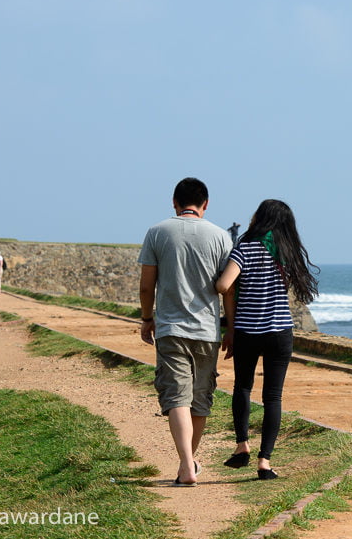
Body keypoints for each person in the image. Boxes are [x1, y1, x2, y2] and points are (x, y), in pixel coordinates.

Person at [215, 199, 318, 480]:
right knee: (273, 396)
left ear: (260, 219)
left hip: (247, 332)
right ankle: (265, 462)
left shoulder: (245, 248)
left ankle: (242, 447)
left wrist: (219, 287)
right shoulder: (286, 253)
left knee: (243, 388)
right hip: (279, 333)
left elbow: (225, 285)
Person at [138, 177, 231, 487]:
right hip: (207, 330)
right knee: (200, 398)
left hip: (170, 328)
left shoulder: (157, 232)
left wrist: (146, 318)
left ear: (175, 203)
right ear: (205, 205)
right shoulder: (220, 237)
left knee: (177, 397)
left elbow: (146, 284)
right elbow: (229, 290)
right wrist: (228, 326)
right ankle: (188, 462)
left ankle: (185, 465)